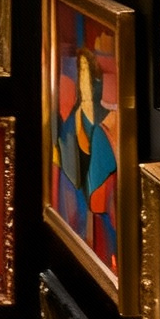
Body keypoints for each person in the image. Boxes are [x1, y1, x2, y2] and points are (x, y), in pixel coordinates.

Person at [55, 40, 118, 275]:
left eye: (85, 71)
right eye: (78, 71)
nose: (82, 78)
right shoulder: (74, 119)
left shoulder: (106, 114)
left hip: (105, 196)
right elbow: (68, 156)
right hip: (82, 198)